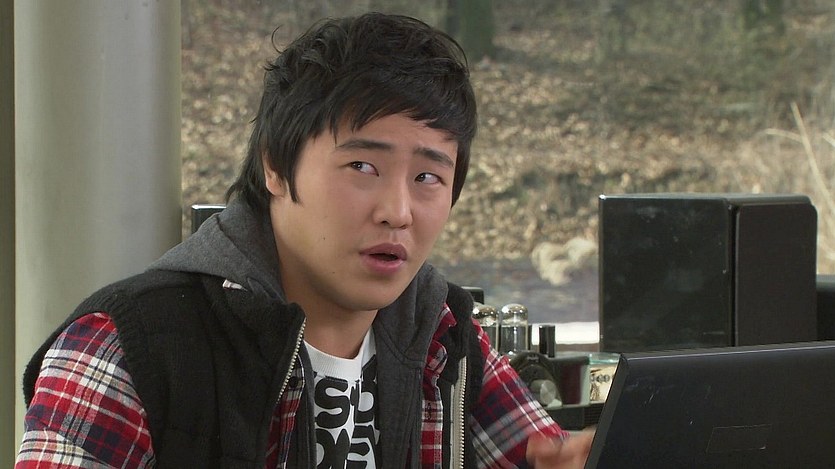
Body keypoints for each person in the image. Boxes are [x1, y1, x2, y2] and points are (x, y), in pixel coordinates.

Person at [16, 12, 593, 468]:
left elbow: (549, 455)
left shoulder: (439, 334)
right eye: (362, 167)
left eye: (427, 177)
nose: (397, 212)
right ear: (275, 165)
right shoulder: (124, 346)